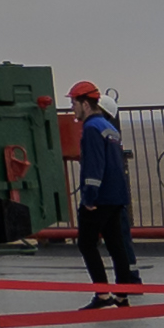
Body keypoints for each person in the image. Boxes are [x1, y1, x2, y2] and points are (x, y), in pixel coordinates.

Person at [64, 83, 139, 293]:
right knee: (117, 247)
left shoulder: (91, 129)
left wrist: (89, 198)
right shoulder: (110, 128)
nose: (72, 108)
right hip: (117, 197)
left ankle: (102, 293)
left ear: (85, 104)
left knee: (86, 245)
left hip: (99, 200)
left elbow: (94, 167)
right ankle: (124, 293)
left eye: (74, 103)